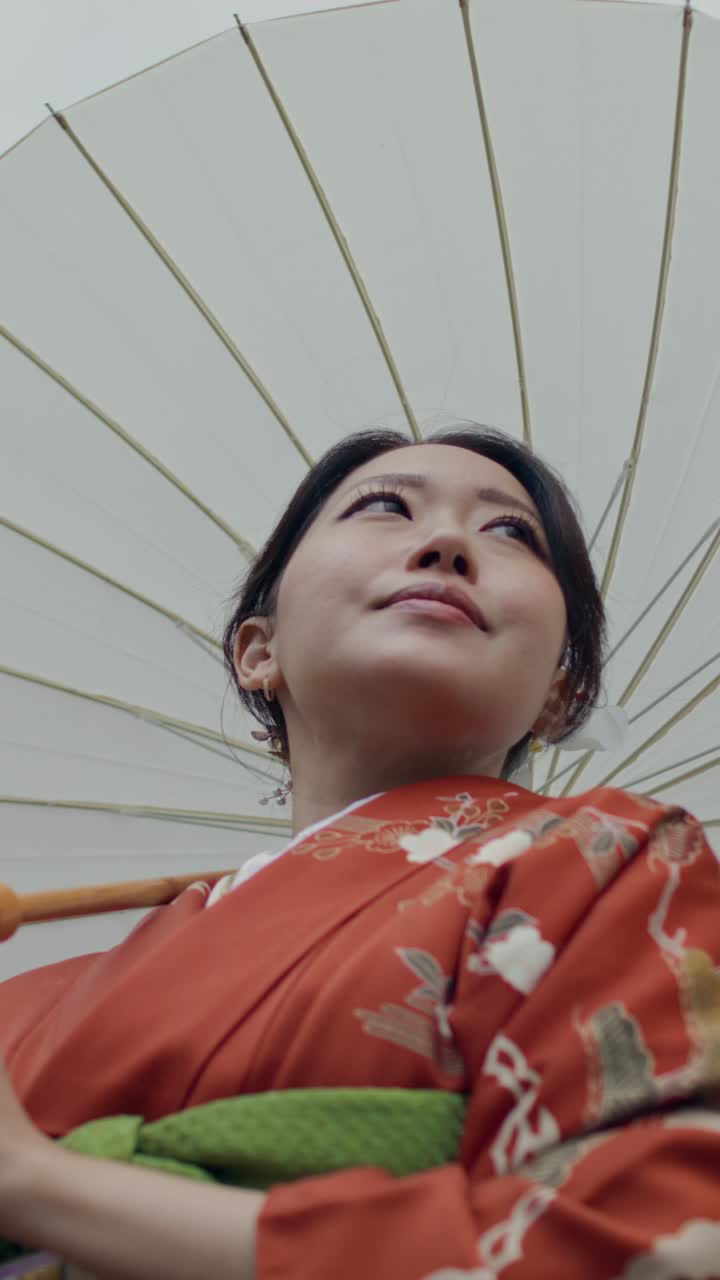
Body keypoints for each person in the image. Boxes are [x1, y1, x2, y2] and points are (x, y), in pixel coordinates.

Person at [0, 425, 719, 1280]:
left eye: (510, 533)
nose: (447, 543)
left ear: (558, 698)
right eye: (386, 506)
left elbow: (658, 1241)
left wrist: (39, 1185)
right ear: (258, 650)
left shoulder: (611, 866)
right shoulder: (24, 1003)